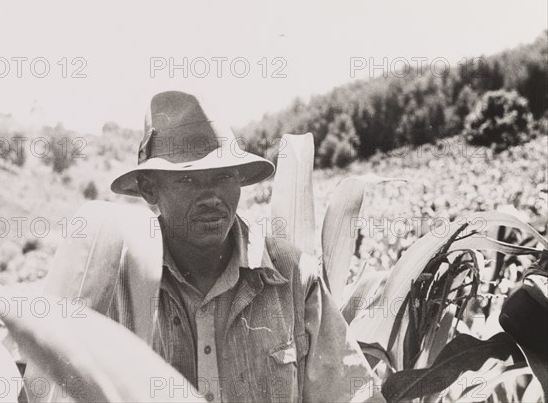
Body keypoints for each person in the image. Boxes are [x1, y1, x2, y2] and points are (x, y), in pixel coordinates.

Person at [108, 91, 384, 402]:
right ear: (149, 188)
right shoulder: (118, 288)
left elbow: (354, 395)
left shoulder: (292, 277)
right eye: (188, 181)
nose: (211, 197)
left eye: (224, 176)